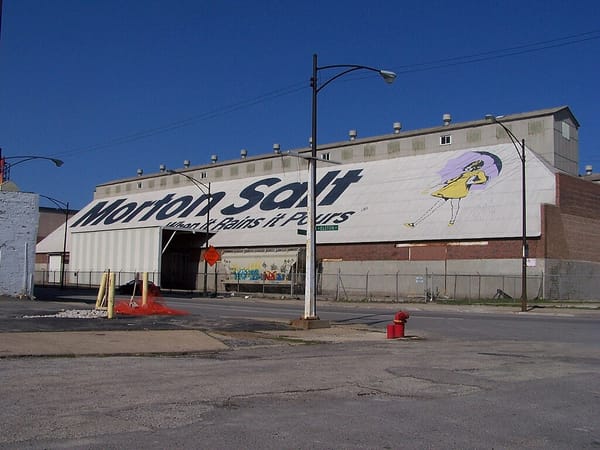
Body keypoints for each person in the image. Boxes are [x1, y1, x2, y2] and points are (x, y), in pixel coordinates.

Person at [405, 159, 488, 227]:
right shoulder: (465, 173)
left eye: (472, 165)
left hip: (459, 190)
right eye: (470, 165)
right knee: (436, 206)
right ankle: (415, 223)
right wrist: (438, 185)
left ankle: (452, 221)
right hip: (451, 188)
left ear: (476, 166)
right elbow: (453, 180)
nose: (469, 167)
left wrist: (471, 182)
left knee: (454, 205)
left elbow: (483, 180)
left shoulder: (479, 172)